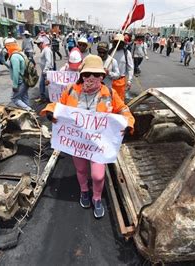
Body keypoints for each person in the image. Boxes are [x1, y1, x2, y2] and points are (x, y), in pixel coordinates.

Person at [40, 55, 135, 218]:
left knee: (98, 175)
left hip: (99, 144)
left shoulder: (110, 93)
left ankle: (96, 197)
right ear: (82, 75)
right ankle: (84, 191)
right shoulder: (71, 89)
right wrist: (50, 111)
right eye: (87, 74)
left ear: (102, 76)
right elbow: (59, 105)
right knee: (81, 169)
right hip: (78, 142)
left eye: (96, 74)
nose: (91, 78)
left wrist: (128, 122)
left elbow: (123, 110)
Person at [4, 39, 32, 111]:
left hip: (20, 81)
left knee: (14, 98)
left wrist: (15, 85)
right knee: (24, 97)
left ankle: (30, 111)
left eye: (5, 47)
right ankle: (31, 115)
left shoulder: (14, 56)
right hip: (26, 79)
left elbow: (16, 71)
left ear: (8, 46)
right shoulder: (20, 53)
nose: (5, 49)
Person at [111, 34, 134, 101]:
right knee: (108, 100)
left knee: (119, 101)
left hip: (120, 82)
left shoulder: (127, 53)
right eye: (116, 42)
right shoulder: (110, 52)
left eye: (120, 42)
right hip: (109, 80)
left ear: (123, 43)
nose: (117, 44)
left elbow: (130, 68)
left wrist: (129, 80)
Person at [35, 38, 54, 103]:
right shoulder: (44, 50)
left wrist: (45, 70)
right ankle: (45, 97)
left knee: (45, 84)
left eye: (39, 44)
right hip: (45, 71)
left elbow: (48, 61)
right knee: (44, 84)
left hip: (47, 71)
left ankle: (48, 98)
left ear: (42, 43)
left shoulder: (46, 50)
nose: (38, 45)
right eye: (37, 44)